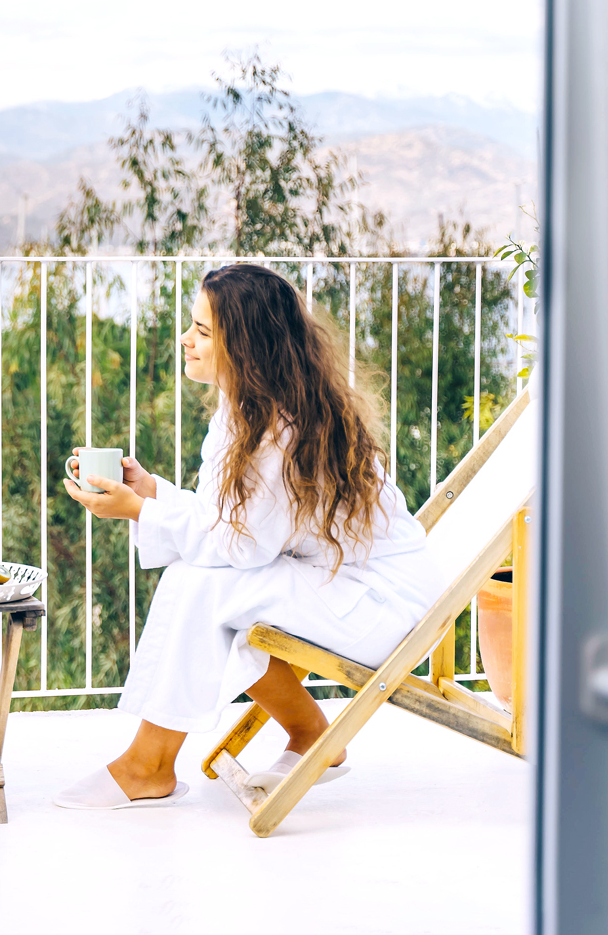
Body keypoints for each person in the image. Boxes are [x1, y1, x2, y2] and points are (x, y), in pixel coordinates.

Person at [54, 263, 441, 809]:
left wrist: (139, 512)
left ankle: (150, 765)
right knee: (207, 587)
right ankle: (306, 735)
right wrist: (154, 494)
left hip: (381, 604)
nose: (185, 340)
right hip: (338, 584)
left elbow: (240, 547)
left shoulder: (280, 431)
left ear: (246, 346)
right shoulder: (248, 412)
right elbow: (233, 525)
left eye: (203, 332)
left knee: (202, 587)